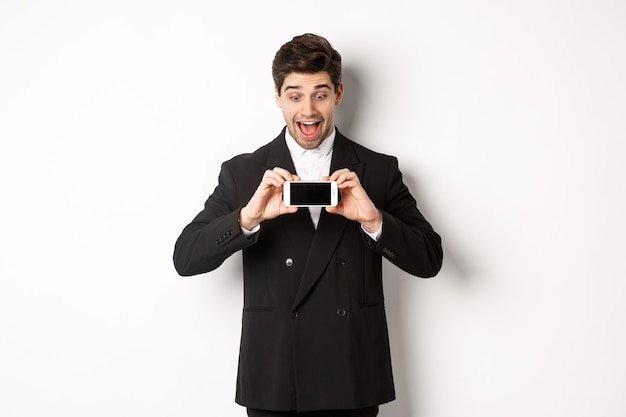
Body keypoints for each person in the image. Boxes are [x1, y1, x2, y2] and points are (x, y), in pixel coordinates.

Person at [173, 33, 443, 417]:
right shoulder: (243, 172)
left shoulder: (379, 171)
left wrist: (374, 221)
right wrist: (247, 219)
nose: (309, 110)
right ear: (278, 97)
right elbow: (185, 257)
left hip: (352, 375)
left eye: (320, 93)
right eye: (295, 95)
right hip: (276, 376)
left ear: (338, 93)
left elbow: (430, 260)